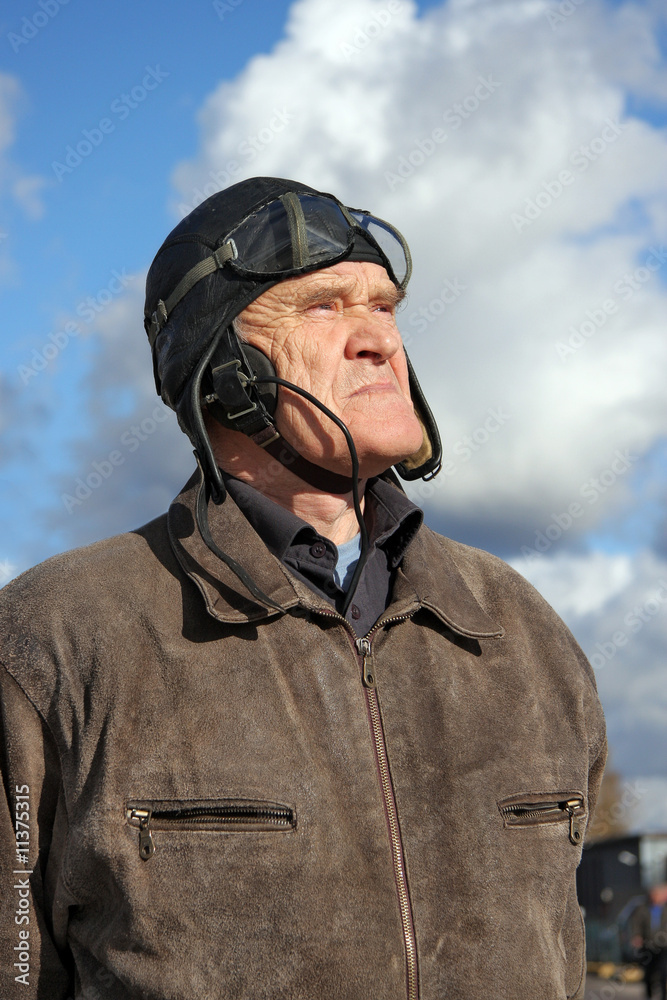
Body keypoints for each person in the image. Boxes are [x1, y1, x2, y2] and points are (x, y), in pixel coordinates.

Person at [0, 176, 606, 999]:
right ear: (221, 369)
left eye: (384, 309)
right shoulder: (57, 637)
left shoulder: (518, 626)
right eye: (323, 308)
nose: (378, 341)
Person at [631, 885, 667, 999]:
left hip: (664, 947)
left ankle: (663, 997)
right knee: (648, 973)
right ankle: (649, 995)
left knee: (663, 972)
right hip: (648, 946)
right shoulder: (643, 908)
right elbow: (636, 924)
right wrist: (637, 936)